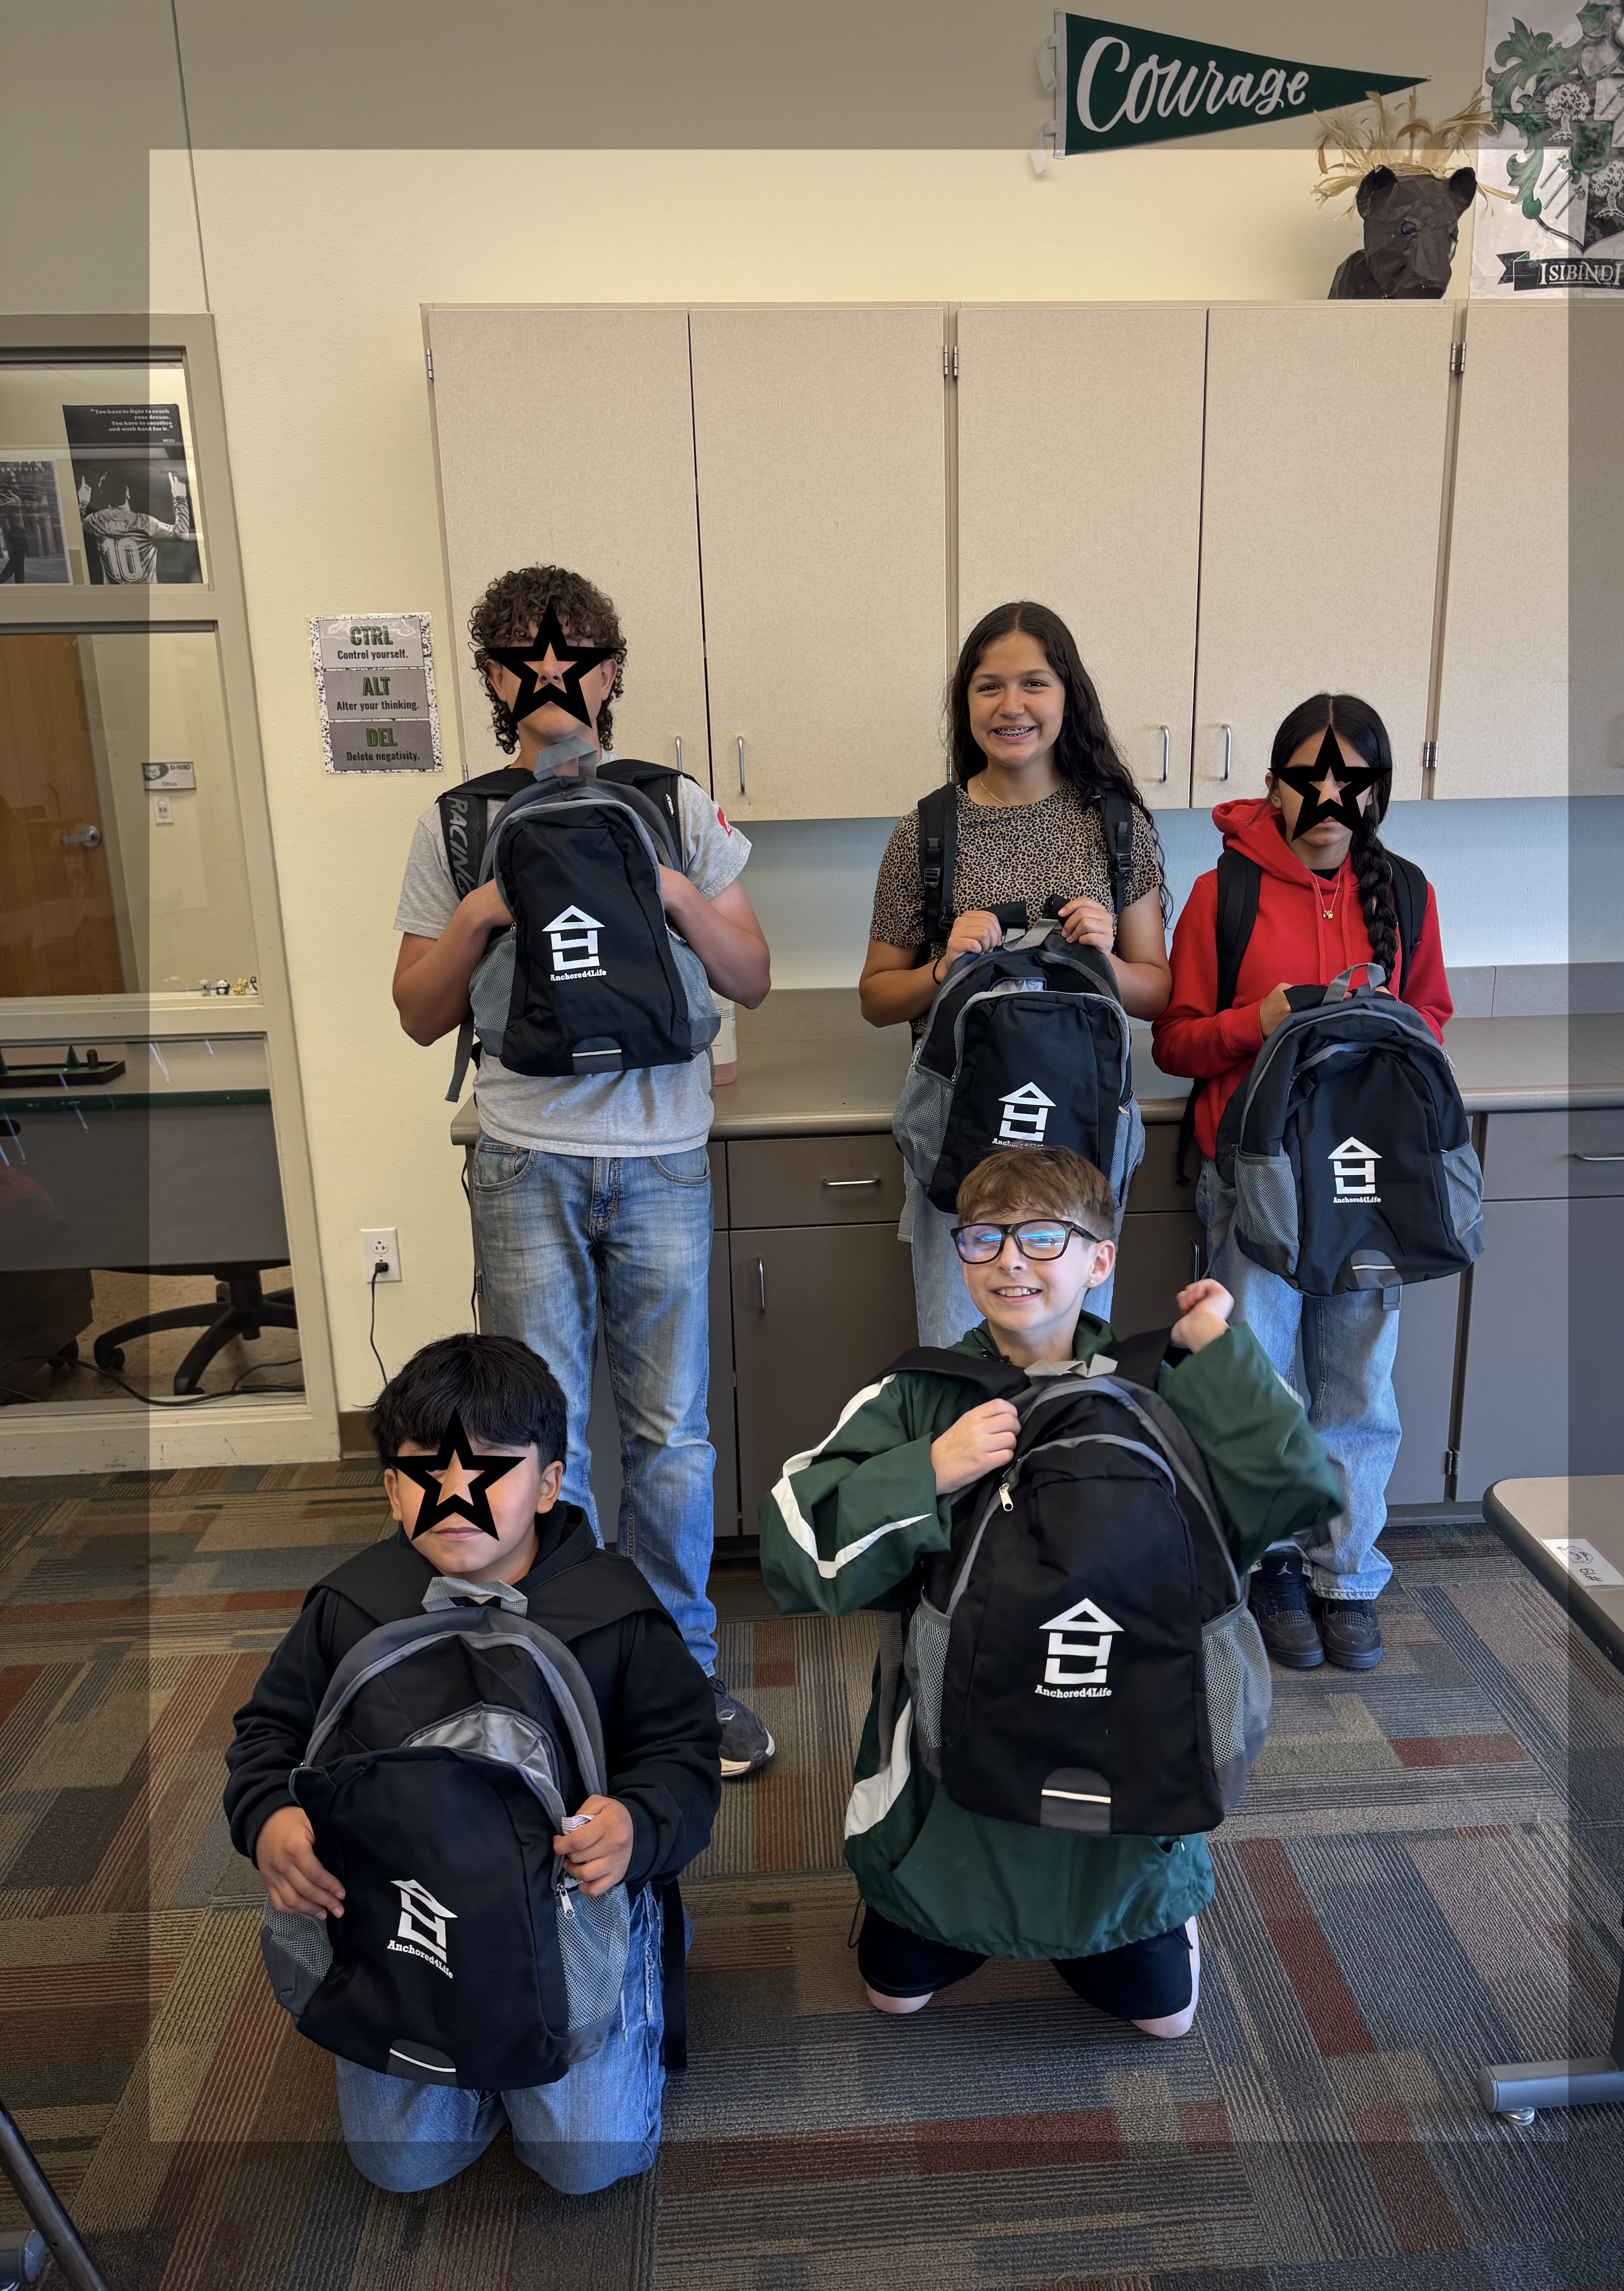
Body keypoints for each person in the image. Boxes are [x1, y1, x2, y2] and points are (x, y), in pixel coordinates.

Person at [757, 1146, 1340, 2031]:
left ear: (1100, 1261)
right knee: (892, 1995)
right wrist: (929, 1471)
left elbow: (1297, 1489)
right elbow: (797, 1551)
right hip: (959, 1776)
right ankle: (944, 1902)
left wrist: (1217, 1347)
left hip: (1126, 1756)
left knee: (1167, 2021)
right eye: (984, 1239)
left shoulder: (1160, 1387)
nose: (1010, 1262)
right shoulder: (919, 1395)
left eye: (1042, 1238)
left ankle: (1157, 1912)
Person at [391, 564, 776, 1776]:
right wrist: (481, 914)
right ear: (491, 677)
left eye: (572, 654)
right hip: (524, 1158)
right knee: (536, 1435)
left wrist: (673, 891)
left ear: (612, 672)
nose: (549, 674)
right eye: (521, 654)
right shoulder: (459, 823)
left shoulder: (674, 803)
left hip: (662, 1156)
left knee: (671, 1436)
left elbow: (751, 976)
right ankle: (569, 1664)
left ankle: (680, 1671)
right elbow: (417, 1012)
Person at [224, 1332, 721, 2197]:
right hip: (409, 1913)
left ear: (551, 1484)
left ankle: (634, 1964)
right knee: (401, 2164)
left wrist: (637, 1827)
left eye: (491, 1466)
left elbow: (683, 1755)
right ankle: (482, 2059)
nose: (456, 1494)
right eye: (426, 1470)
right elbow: (268, 1732)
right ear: (392, 1490)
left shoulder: (616, 1616)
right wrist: (269, 1814)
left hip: (565, 1916)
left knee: (586, 2162)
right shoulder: (349, 1609)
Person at [1152, 692, 1453, 1673]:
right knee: (1261, 1376)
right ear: (1274, 787)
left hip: (1368, 1185)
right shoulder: (1222, 896)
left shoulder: (1408, 894)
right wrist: (1264, 1020)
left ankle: (1347, 1573)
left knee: (1359, 1383)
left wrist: (1375, 1023)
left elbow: (1434, 1021)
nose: (1328, 797)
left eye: (1350, 779)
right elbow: (1175, 1042)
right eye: (1306, 777)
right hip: (1257, 1184)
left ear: (1378, 792)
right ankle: (1269, 1564)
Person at [859, 600, 1173, 1346]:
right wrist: (943, 968)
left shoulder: (1118, 826)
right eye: (989, 687)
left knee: (1070, 1365)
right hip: (961, 1145)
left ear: (1068, 695)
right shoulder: (926, 833)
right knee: (960, 1363)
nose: (1011, 706)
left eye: (1034, 683)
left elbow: (1157, 991)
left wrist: (1105, 962)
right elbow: (876, 997)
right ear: (965, 702)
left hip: (1083, 1142)